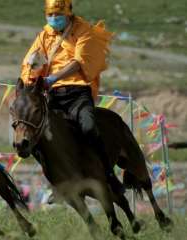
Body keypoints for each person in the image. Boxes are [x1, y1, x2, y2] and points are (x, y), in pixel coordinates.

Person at [20, 0, 124, 201]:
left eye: (57, 14)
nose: (53, 19)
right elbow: (30, 62)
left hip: (78, 92)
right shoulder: (44, 36)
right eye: (49, 15)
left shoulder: (84, 31)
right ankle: (57, 184)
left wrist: (53, 78)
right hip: (52, 95)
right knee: (34, 137)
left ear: (68, 14)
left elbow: (79, 62)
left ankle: (110, 176)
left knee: (88, 127)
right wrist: (30, 79)